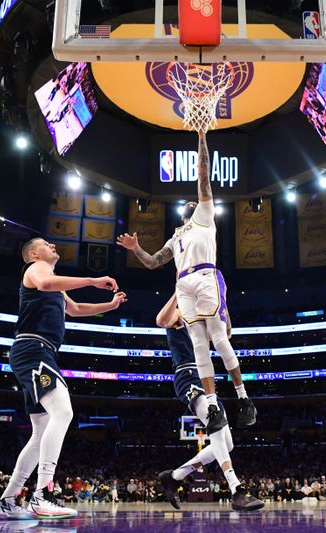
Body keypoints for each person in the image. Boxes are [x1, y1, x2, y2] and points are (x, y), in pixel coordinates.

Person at [117, 130, 256, 432]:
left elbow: (203, 176)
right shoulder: (176, 236)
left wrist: (202, 136)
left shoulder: (205, 217)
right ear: (182, 213)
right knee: (199, 347)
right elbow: (154, 262)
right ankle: (213, 404)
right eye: (191, 202)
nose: (196, 200)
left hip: (207, 275)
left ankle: (244, 398)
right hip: (184, 284)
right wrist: (135, 248)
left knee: (219, 339)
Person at [0, 238, 125, 520]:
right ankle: (43, 494)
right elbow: (44, 285)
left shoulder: (54, 281)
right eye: (45, 243)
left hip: (39, 351)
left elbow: (74, 309)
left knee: (40, 434)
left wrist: (109, 307)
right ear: (32, 253)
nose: (52, 245)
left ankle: (7, 500)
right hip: (33, 348)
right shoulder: (36, 269)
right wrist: (91, 279)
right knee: (63, 411)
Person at [155, 295, 263, 511]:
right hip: (187, 374)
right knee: (215, 425)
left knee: (227, 443)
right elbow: (161, 320)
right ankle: (237, 490)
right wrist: (178, 292)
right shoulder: (181, 314)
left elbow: (227, 334)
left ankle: (175, 476)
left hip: (207, 379)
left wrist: (222, 303)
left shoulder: (202, 320)